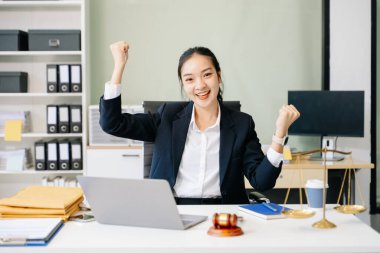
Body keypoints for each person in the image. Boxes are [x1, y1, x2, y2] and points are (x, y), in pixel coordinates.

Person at [99, 41, 300, 205]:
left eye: (207, 74)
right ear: (183, 84)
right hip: (173, 210)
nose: (200, 85)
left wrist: (279, 135)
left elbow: (262, 182)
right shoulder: (167, 117)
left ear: (219, 76)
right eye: (189, 79)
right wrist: (119, 66)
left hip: (223, 215)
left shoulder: (241, 123)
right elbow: (112, 123)